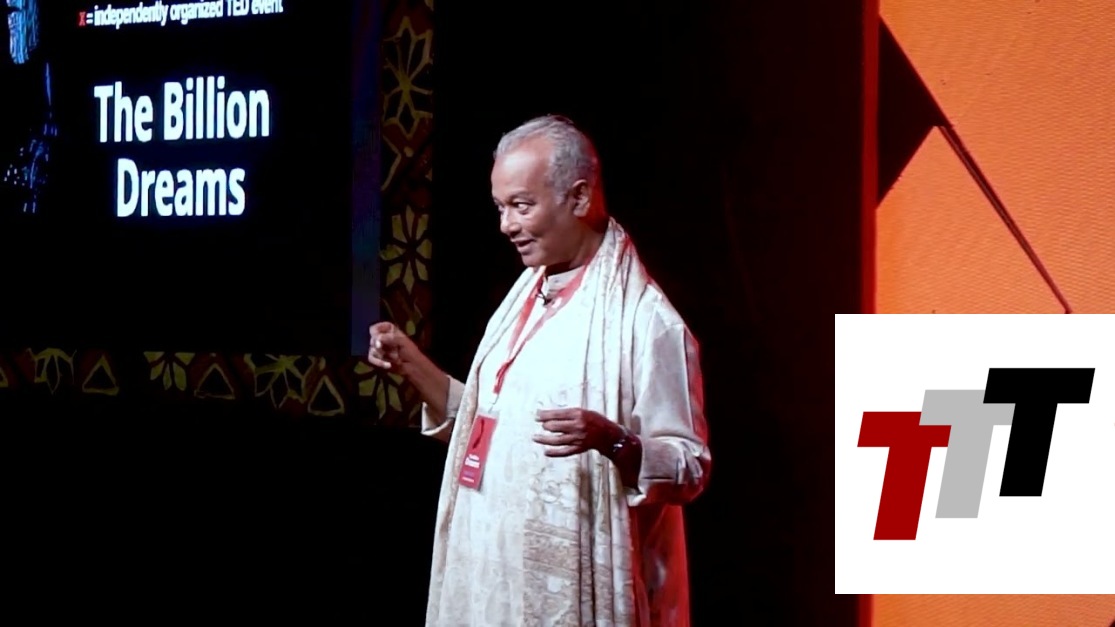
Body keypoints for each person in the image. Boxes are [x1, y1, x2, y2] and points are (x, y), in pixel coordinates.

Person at [368, 115, 711, 626]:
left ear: (579, 197)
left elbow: (691, 467)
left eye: (521, 206)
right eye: (500, 207)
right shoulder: (524, 298)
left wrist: (614, 441)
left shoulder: (647, 323)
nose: (506, 225)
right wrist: (410, 363)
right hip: (496, 578)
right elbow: (484, 427)